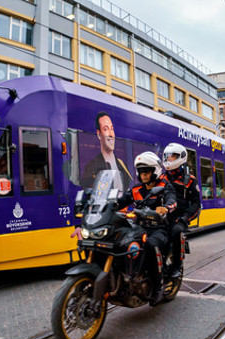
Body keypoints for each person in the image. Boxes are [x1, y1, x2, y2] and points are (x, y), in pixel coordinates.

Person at [117, 151, 176, 306]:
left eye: (147, 171)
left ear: (154, 171)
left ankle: (158, 287)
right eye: (141, 172)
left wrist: (166, 208)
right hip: (139, 227)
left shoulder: (165, 186)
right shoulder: (136, 190)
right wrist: (106, 206)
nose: (143, 175)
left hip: (159, 229)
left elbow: (172, 201)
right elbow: (120, 202)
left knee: (150, 245)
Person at [162, 143, 201, 279]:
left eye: (172, 157)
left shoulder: (189, 180)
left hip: (179, 218)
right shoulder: (161, 179)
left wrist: (186, 217)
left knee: (176, 231)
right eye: (167, 156)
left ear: (181, 158)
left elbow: (196, 203)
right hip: (163, 217)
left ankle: (177, 265)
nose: (169, 159)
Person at [81, 112, 132, 189]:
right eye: (106, 129)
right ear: (99, 134)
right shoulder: (91, 167)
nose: (111, 134)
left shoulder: (122, 165)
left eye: (112, 129)